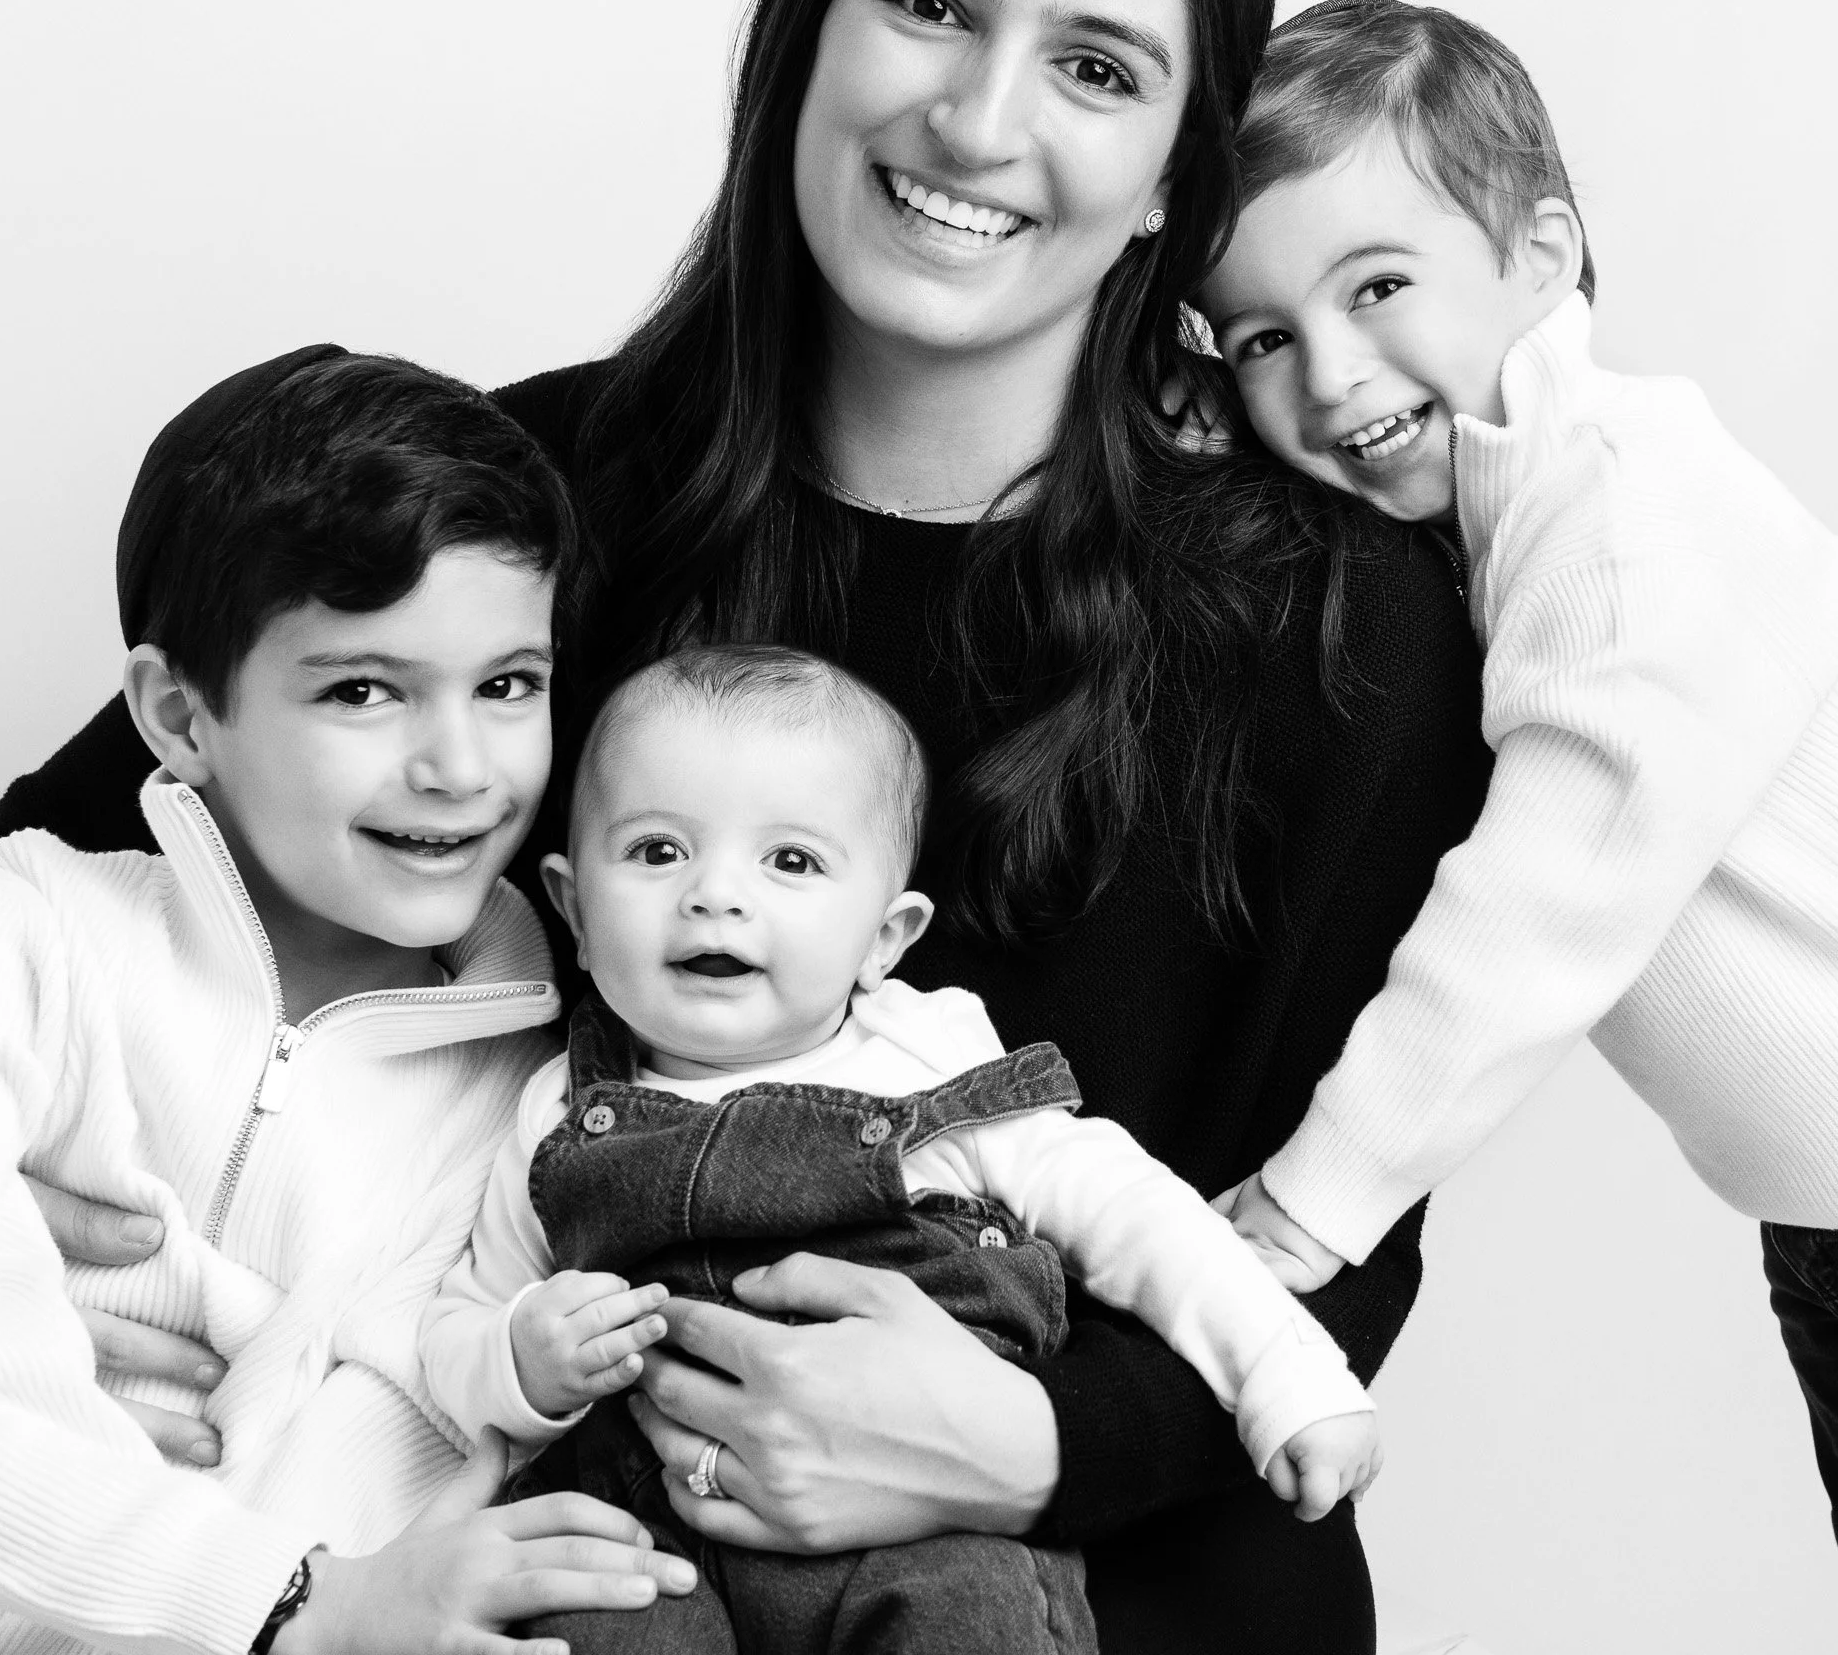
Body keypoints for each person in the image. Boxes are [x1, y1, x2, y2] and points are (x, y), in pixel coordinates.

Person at [0, 0, 1491, 1651]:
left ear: (1180, 166)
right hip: (584, 1578)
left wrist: (1027, 1443)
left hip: (1134, 1585)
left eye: (1094, 66)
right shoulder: (526, 514)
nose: (981, 122)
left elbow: (1330, 1244)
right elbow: (33, 911)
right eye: (928, 5)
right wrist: (63, 1305)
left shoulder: (1343, 636)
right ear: (803, 28)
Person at [1196, 0, 1838, 1654]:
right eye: (1254, 337)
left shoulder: (1621, 523)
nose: (1329, 373)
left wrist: (1318, 1203)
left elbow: (1538, 914)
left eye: (1379, 286)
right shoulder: (1496, 505)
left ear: (1540, 257)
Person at [0, 348, 697, 1655]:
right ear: (180, 715)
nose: (462, 768)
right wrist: (281, 1602)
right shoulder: (15, 937)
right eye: (363, 691)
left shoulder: (551, 1092)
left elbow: (419, 1457)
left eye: (509, 685)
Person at [422, 643, 1382, 1652]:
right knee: (578, 1620)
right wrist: (521, 1359)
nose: (714, 892)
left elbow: (1139, 1219)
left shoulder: (929, 1067)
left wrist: (1289, 1378)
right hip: (644, 1536)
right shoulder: (556, 1109)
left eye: (789, 860)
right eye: (657, 849)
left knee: (968, 1619)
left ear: (885, 935)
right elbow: (456, 1331)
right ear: (573, 909)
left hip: (925, 1528)